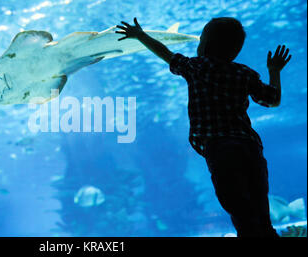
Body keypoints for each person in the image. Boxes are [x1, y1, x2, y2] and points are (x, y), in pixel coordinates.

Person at [115, 17, 291, 237]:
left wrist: (140, 35)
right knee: (259, 205)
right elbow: (272, 100)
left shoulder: (197, 67)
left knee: (236, 204)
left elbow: (166, 54)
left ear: (205, 46)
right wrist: (274, 71)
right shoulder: (244, 73)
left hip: (220, 148)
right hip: (249, 147)